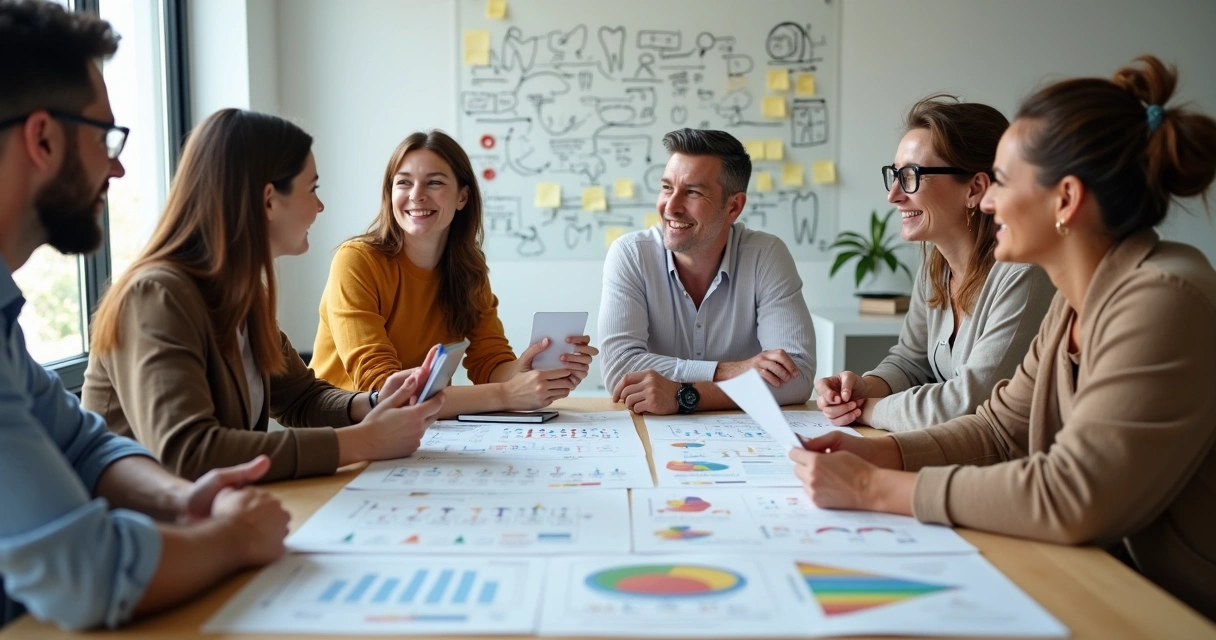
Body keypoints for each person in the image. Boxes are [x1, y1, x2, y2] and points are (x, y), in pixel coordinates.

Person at [790, 55, 1216, 619]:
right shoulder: (1075, 301)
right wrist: (880, 451)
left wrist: (873, 488)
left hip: (1175, 605)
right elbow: (999, 428)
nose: (988, 200)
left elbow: (1070, 494)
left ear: (1065, 200)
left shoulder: (1163, 297)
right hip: (1108, 577)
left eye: (1004, 182)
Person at [0, 0, 289, 629]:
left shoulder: (4, 320)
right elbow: (86, 573)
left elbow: (82, 444)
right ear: (43, 138)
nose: (119, 165)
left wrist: (184, 498)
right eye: (105, 136)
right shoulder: (161, 291)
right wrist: (235, 538)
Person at [82, 109, 445, 483]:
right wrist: (361, 442)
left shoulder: (242, 293)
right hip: (148, 531)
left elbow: (300, 397)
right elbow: (189, 452)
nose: (319, 207)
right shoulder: (155, 297)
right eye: (312, 189)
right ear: (269, 200)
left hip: (214, 518)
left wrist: (370, 403)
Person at [310, 130, 598, 418]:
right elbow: (384, 389)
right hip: (344, 429)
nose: (416, 195)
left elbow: (489, 364)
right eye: (403, 183)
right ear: (390, 194)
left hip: (419, 428)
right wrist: (508, 393)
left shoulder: (469, 270)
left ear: (462, 197)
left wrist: (533, 370)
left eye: (434, 182)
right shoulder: (357, 260)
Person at [815, 96, 1054, 430]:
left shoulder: (1023, 275)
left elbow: (970, 402)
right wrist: (861, 388)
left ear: (975, 188)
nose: (894, 194)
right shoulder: (936, 267)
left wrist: (869, 410)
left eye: (912, 175)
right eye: (895, 174)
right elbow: (910, 362)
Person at [600, 128, 816, 415]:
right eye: (667, 188)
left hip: (744, 438)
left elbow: (796, 377)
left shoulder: (766, 256)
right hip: (652, 431)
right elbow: (620, 369)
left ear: (733, 207)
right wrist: (728, 371)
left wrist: (684, 396)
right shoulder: (631, 254)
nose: (671, 207)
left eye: (692, 192)